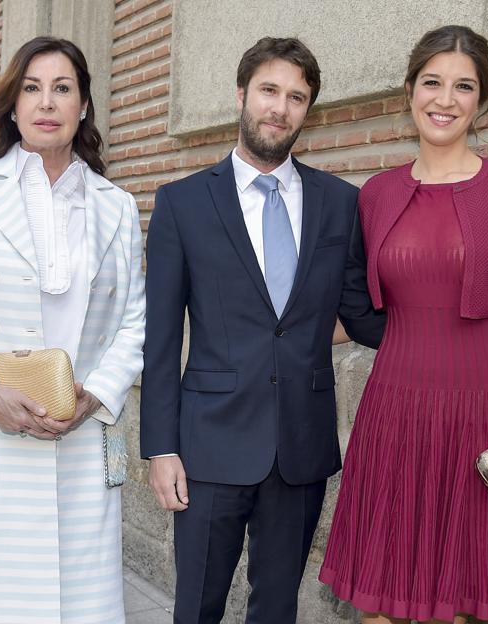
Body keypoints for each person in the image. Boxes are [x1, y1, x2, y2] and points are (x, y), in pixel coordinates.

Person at [140, 37, 385, 623]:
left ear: (308, 111)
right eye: (270, 91)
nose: (280, 108)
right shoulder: (182, 203)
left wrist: (450, 323)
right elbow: (162, 339)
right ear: (242, 96)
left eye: (296, 97)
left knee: (277, 610)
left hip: (300, 447)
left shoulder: (340, 204)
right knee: (195, 607)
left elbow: (361, 315)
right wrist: (160, 447)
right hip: (208, 447)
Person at [320, 25, 488, 623]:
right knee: (380, 601)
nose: (444, 99)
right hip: (392, 416)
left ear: (482, 101)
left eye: (463, 86)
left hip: (478, 414)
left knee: (465, 604)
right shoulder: (376, 194)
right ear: (409, 91)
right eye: (432, 82)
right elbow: (361, 311)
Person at [0, 37, 145, 623]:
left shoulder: (115, 206)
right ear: (13, 105)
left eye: (62, 88)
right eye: (32, 87)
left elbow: (133, 322)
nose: (47, 102)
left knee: (80, 605)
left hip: (80, 431)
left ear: (84, 106)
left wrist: (95, 393)